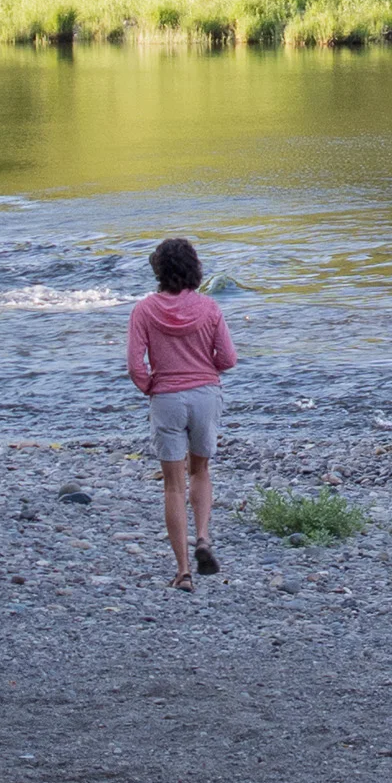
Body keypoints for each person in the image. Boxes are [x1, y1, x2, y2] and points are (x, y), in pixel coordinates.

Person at [126, 236, 238, 591]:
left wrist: (151, 386)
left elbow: (134, 364)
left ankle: (183, 571)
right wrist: (208, 369)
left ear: (158, 271)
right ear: (194, 269)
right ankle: (203, 536)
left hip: (166, 399)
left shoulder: (144, 310)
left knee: (173, 486)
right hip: (205, 394)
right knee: (201, 470)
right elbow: (229, 359)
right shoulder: (209, 308)